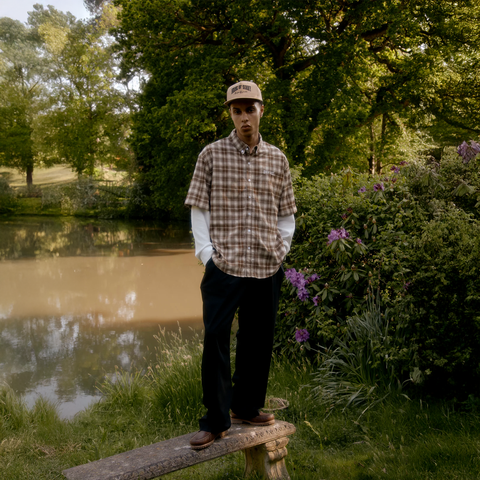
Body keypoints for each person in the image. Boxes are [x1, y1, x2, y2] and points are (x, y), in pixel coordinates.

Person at [185, 81, 296, 450]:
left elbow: (286, 214)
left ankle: (246, 407)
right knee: (215, 338)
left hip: (266, 264)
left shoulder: (278, 159)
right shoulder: (211, 155)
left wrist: (281, 251)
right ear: (230, 114)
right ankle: (215, 421)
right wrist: (206, 255)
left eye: (250, 109)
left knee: (258, 339)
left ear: (262, 110)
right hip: (225, 265)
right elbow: (199, 208)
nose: (244, 117)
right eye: (237, 111)